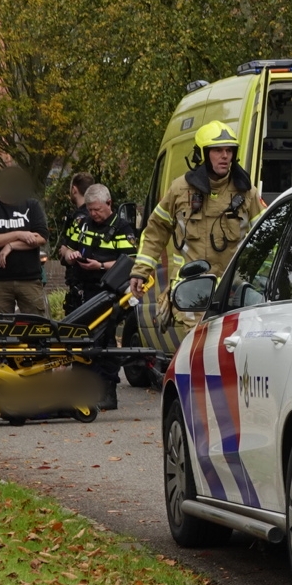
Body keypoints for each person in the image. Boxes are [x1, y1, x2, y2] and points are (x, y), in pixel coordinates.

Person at [133, 121, 262, 293]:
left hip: (231, 296)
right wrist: (140, 271)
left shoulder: (247, 192)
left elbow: (267, 234)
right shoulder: (180, 189)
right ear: (203, 153)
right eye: (217, 150)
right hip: (189, 295)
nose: (225, 156)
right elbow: (156, 230)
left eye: (229, 150)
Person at [60, 183, 137, 409]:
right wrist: (70, 254)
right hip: (80, 291)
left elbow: (130, 262)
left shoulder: (122, 228)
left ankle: (107, 392)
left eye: (97, 210)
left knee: (103, 343)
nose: (93, 214)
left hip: (106, 294)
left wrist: (101, 265)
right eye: (90, 209)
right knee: (77, 342)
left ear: (109, 204)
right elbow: (63, 249)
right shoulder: (81, 224)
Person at [0, 167, 51, 315]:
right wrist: (19, 234)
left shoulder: (32, 206)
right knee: (0, 329)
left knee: (37, 327)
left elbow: (41, 237)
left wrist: (10, 246)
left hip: (29, 279)